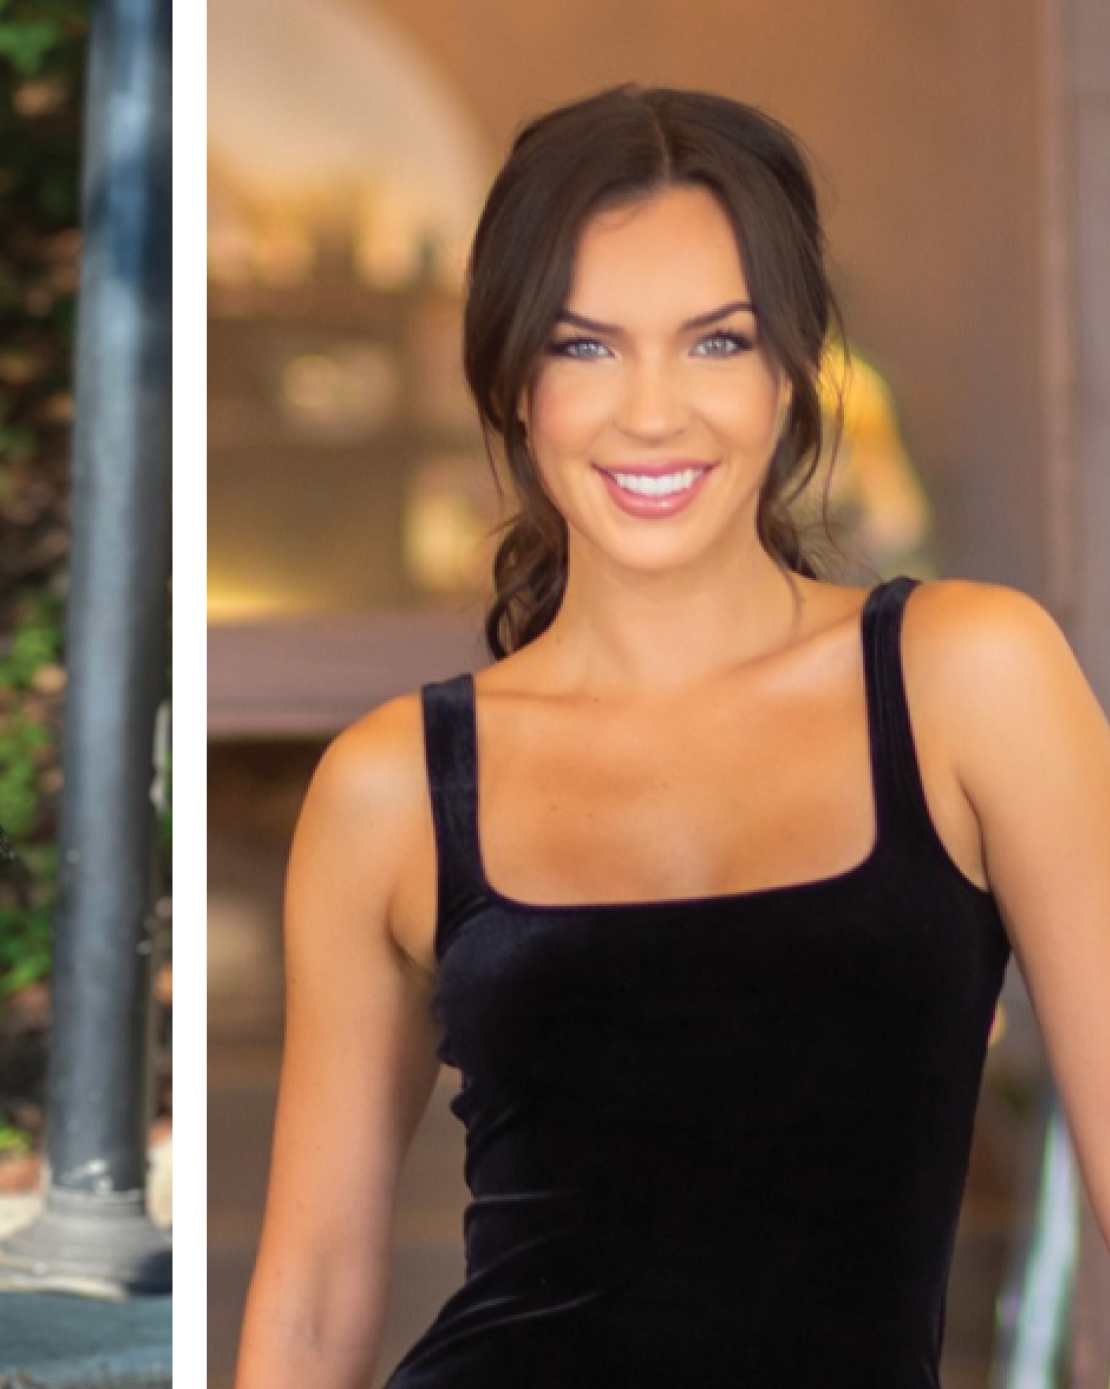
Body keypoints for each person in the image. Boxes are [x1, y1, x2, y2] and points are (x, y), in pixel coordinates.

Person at [238, 85, 1110, 1387]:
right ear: (510, 379)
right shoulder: (395, 787)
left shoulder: (966, 677)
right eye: (584, 347)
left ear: (792, 366)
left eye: (714, 342)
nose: (652, 412)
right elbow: (309, 1306)